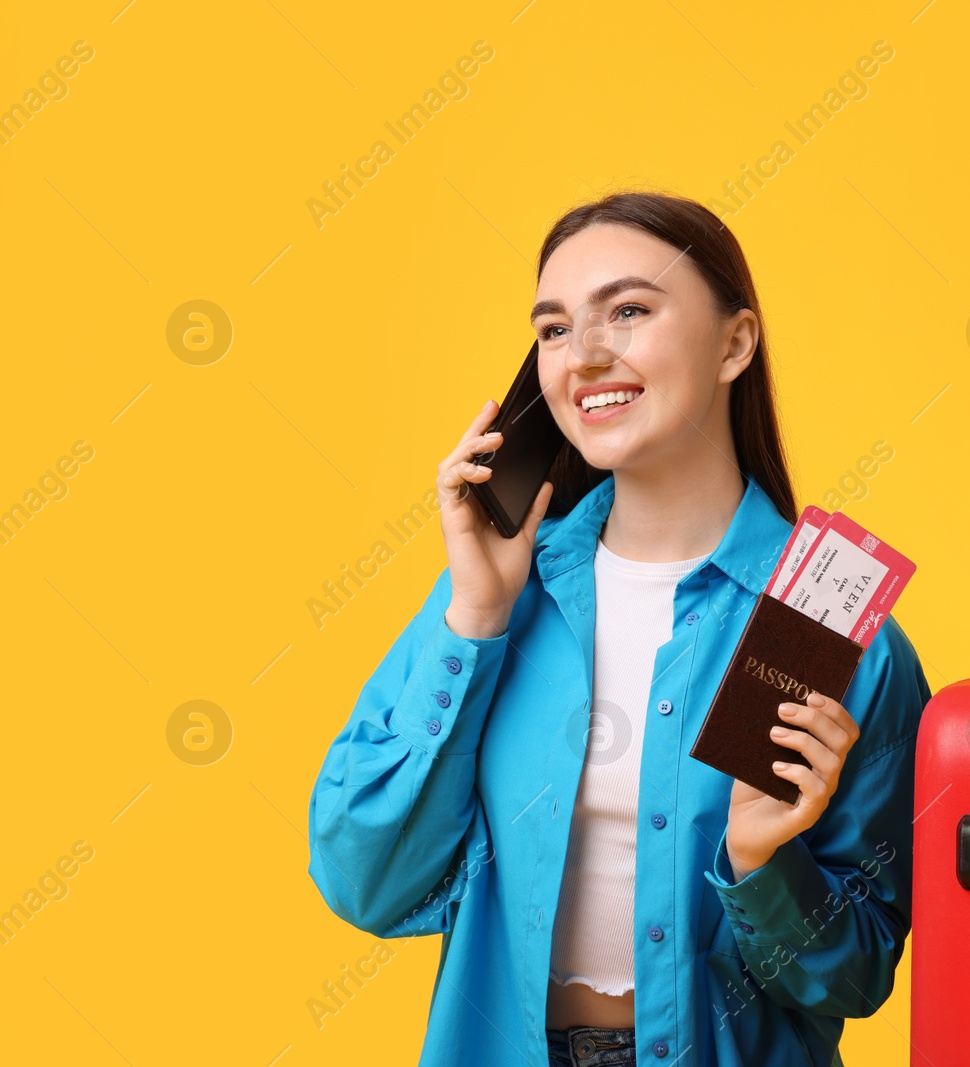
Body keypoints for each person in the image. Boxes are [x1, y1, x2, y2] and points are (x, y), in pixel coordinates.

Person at [306, 190, 933, 1066]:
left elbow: (857, 976)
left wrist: (762, 862)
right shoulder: (494, 601)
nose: (585, 356)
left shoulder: (823, 625)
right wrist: (476, 617)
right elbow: (362, 881)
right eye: (554, 329)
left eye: (629, 311)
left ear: (735, 343)